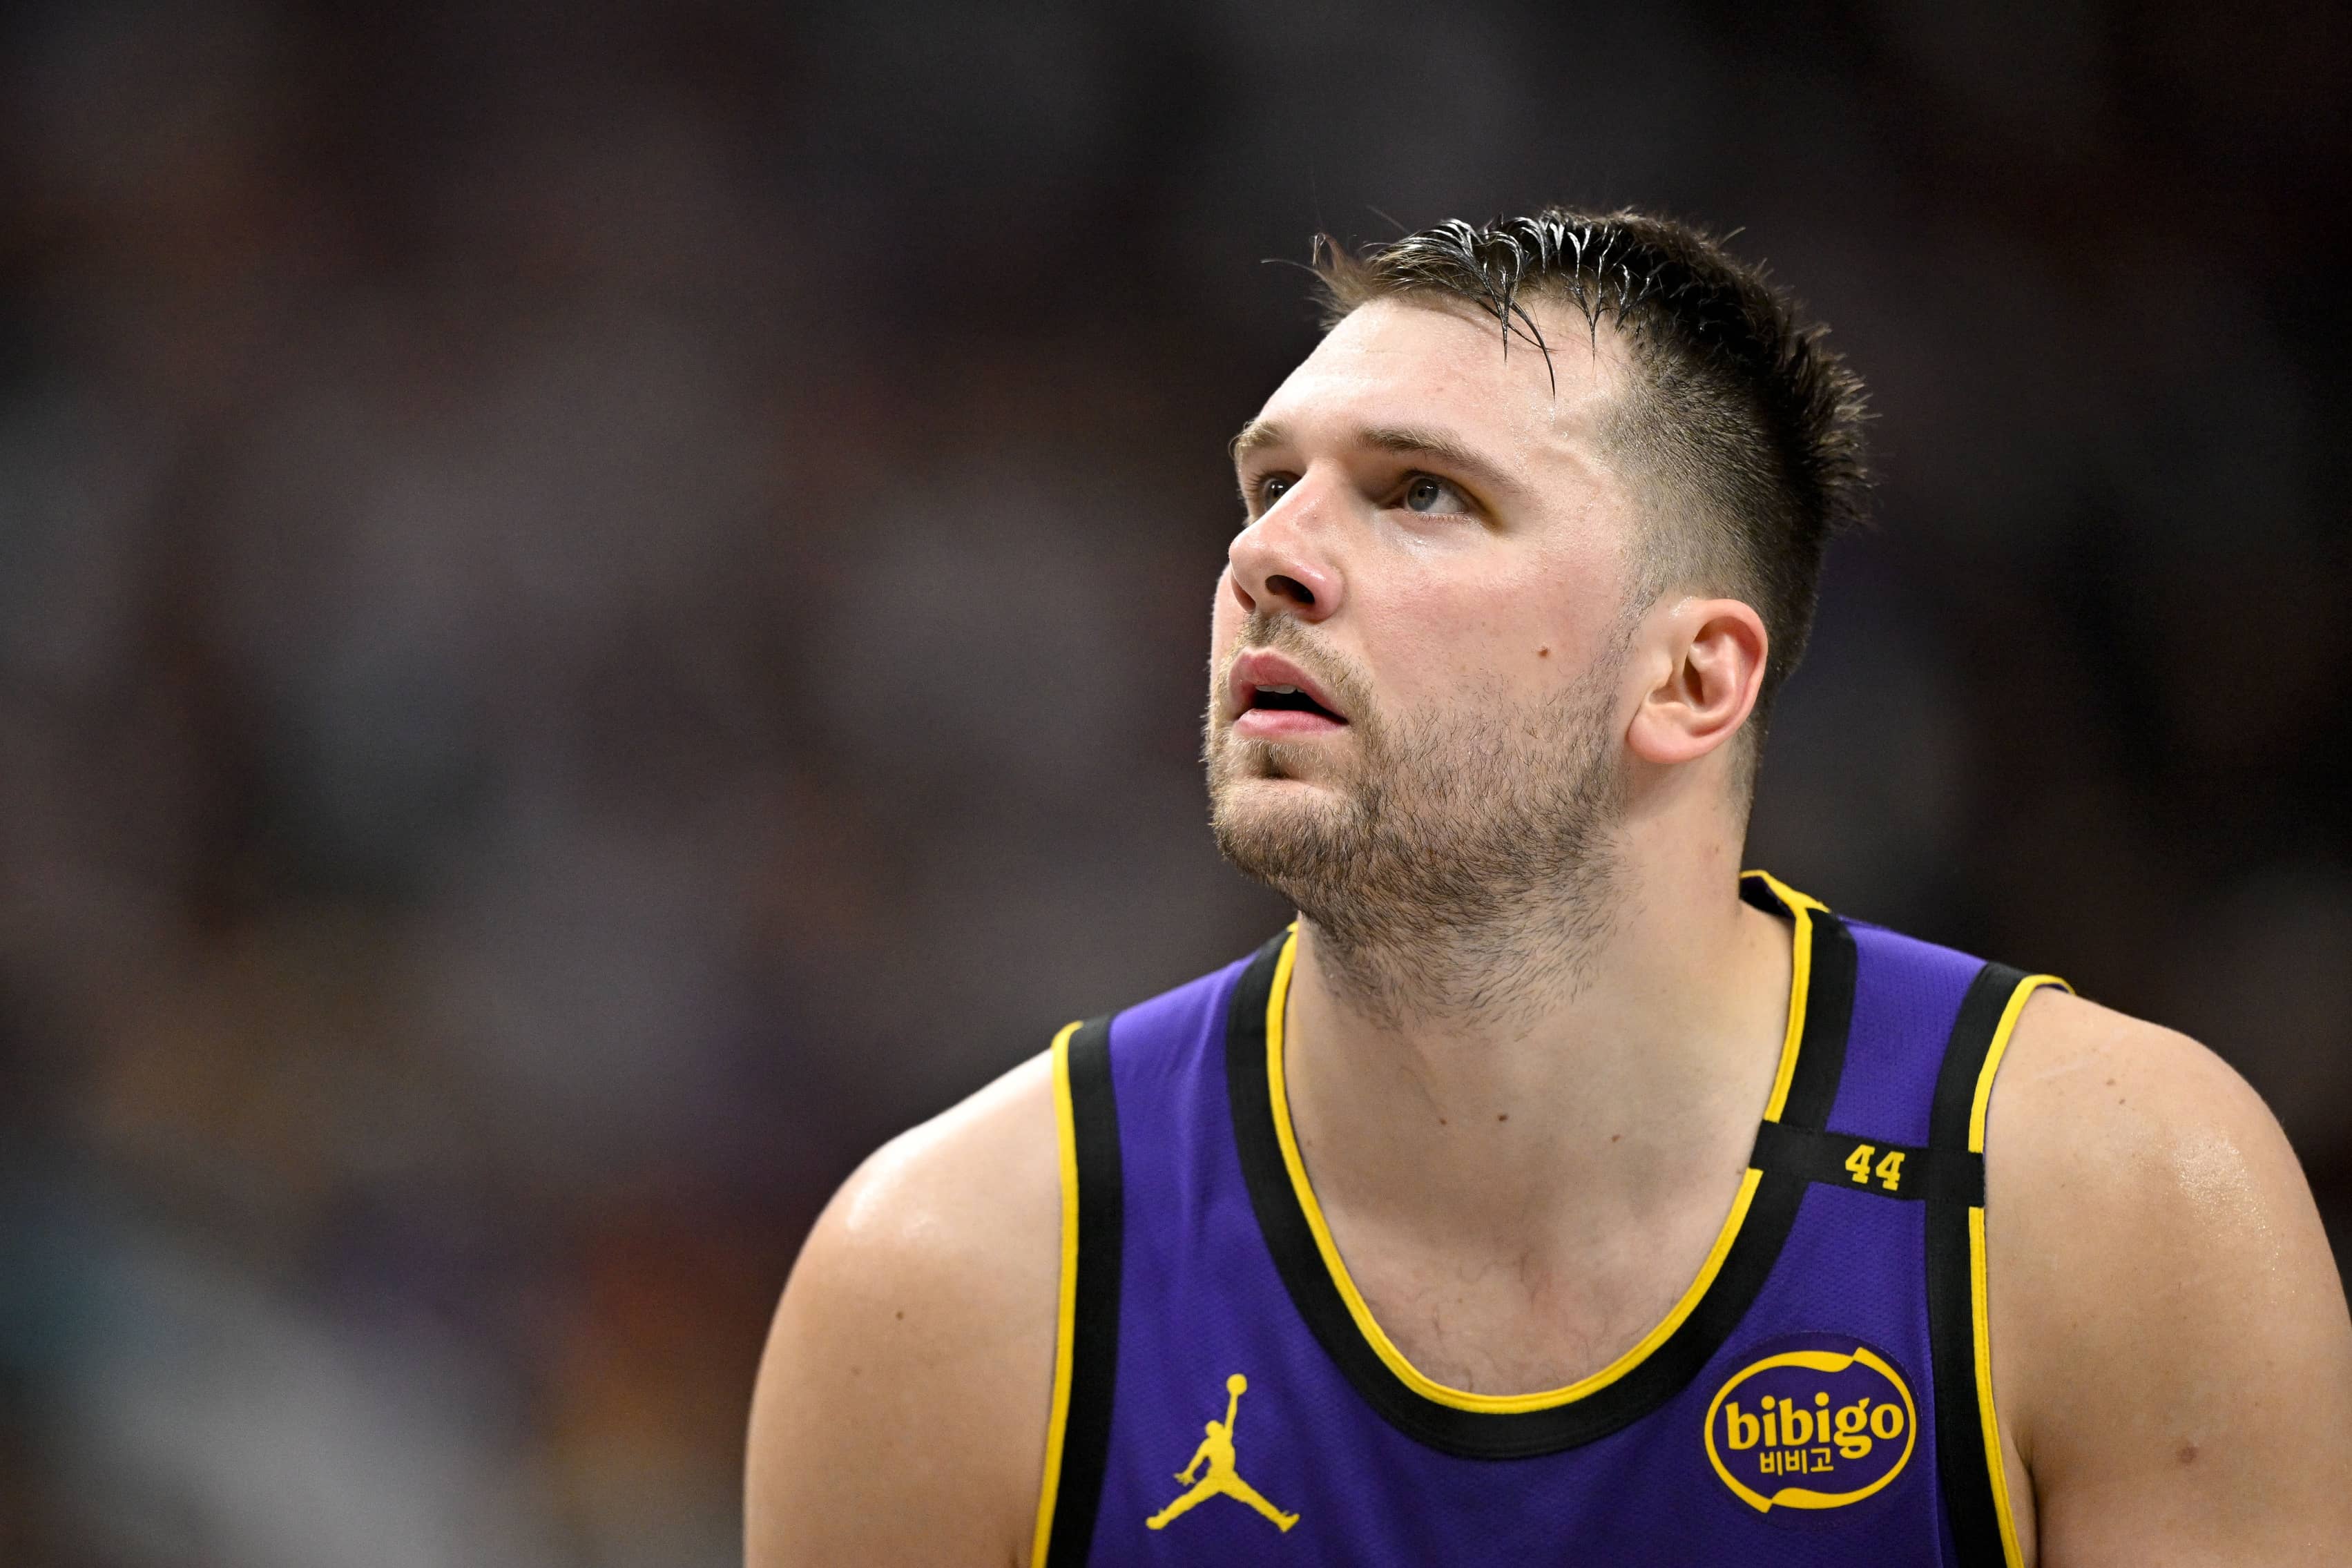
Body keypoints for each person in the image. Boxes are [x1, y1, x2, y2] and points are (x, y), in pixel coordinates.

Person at [744, 209, 2352, 1565]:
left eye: (1420, 491)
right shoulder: (952, 1277)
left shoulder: (2115, 1197)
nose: (1268, 557)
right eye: (1266, 484)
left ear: (1690, 679)